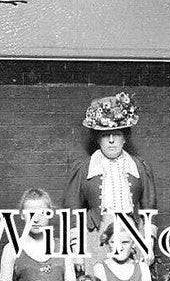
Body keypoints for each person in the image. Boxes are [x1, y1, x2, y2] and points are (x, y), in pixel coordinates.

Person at [63, 92, 158, 266]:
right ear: (98, 139)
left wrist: (148, 245)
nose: (112, 141)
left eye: (117, 134)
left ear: (125, 138)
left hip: (132, 233)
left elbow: (149, 210)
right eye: (106, 135)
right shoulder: (83, 168)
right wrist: (77, 249)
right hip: (96, 235)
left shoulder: (139, 167)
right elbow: (72, 211)